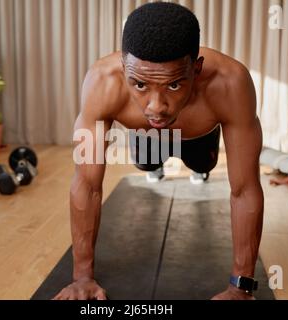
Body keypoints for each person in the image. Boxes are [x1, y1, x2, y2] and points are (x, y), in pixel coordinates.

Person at [54, 2, 264, 300]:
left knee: (203, 166)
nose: (156, 105)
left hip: (200, 135)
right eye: (139, 84)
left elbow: (244, 189)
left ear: (197, 69)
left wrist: (241, 288)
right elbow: (87, 185)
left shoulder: (230, 83)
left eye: (174, 85)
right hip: (146, 134)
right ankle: (155, 166)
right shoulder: (102, 82)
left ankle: (199, 170)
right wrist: (82, 278)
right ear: (124, 68)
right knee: (147, 164)